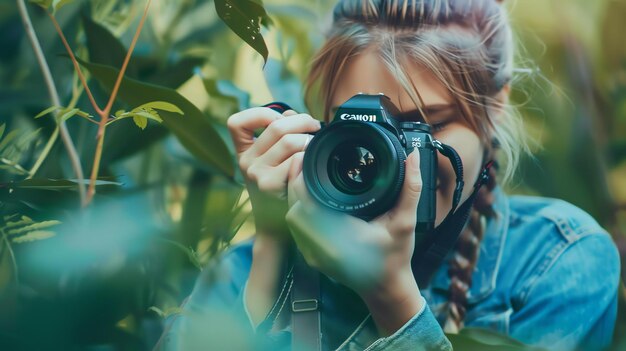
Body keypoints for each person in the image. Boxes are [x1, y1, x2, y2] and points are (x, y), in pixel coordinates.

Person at [160, 0, 620, 350]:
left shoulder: (558, 259)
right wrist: (271, 250)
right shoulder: (247, 267)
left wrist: (390, 296)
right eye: (361, 125)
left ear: (494, 108)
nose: (396, 158)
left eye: (428, 125)